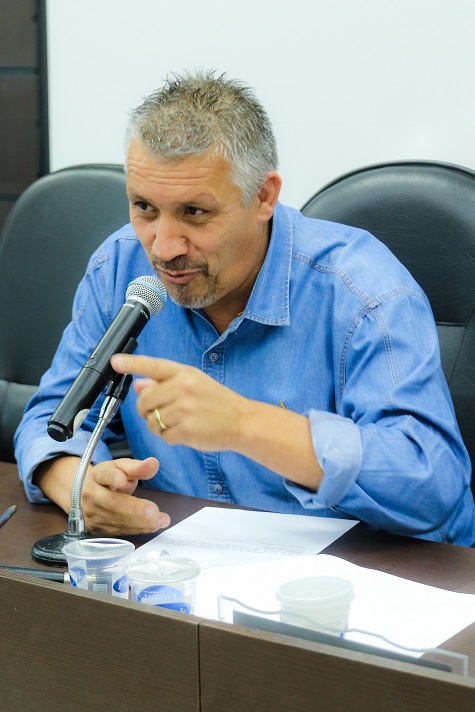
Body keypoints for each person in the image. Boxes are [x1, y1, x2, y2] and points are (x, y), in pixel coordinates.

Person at [15, 70, 475, 545]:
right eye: (145, 208)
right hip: (183, 566)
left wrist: (244, 424)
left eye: (195, 212)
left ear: (263, 197)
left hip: (352, 574)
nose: (164, 247)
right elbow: (51, 418)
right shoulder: (120, 269)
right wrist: (77, 485)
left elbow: (432, 484)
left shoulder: (362, 290)